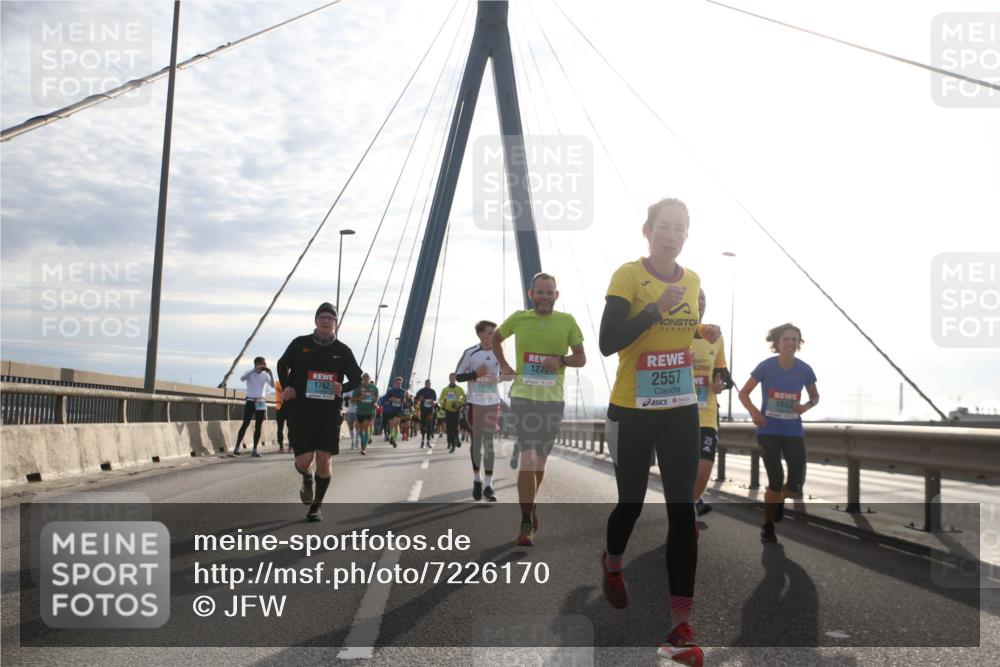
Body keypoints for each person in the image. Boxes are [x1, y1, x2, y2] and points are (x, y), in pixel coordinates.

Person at [598, 198, 709, 665]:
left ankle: (680, 628)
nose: (672, 235)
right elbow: (607, 342)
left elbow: (681, 337)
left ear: (686, 235)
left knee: (683, 513)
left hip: (680, 408)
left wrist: (701, 331)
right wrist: (654, 310)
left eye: (680, 228)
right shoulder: (627, 275)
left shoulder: (694, 280)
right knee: (632, 502)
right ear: (647, 231)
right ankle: (612, 563)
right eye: (664, 226)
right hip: (632, 409)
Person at [491, 272, 585, 547]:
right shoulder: (519, 318)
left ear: (557, 295)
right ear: (531, 294)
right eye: (540, 292)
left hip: (552, 401)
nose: (545, 297)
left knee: (540, 464)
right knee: (528, 458)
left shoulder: (567, 321)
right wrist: (504, 366)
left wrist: (562, 360)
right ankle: (525, 521)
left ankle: (531, 508)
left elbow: (581, 358)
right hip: (523, 397)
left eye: (549, 292)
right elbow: (496, 338)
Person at [277, 302, 362, 521]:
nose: (326, 321)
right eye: (322, 317)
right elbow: (281, 364)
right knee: (304, 461)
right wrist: (287, 386)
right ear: (315, 320)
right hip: (300, 410)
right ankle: (307, 476)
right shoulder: (300, 343)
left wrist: (343, 387)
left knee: (324, 458)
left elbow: (356, 377)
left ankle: (317, 506)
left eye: (330, 318)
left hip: (328, 412)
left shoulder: (342, 351)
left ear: (335, 322)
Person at [738, 322, 819, 544]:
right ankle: (768, 525)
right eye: (786, 339)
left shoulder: (805, 369)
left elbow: (815, 396)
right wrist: (755, 412)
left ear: (799, 343)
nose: (790, 343)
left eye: (794, 339)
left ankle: (780, 499)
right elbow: (744, 393)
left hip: (793, 432)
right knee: (775, 480)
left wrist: (806, 406)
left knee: (795, 485)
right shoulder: (766, 366)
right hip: (768, 430)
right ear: (777, 343)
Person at [691, 290, 734, 517]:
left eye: (703, 298)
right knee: (683, 471)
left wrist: (720, 384)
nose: (700, 302)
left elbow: (724, 375)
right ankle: (684, 513)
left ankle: (689, 505)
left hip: (706, 415)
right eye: (695, 297)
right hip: (676, 414)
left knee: (703, 469)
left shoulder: (716, 336)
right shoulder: (672, 333)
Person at [455, 319, 503, 501]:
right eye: (491, 332)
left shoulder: (499, 352)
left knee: (489, 443)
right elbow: (458, 376)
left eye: (495, 333)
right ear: (481, 334)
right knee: (476, 443)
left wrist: (500, 378)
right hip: (475, 403)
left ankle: (489, 486)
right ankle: (477, 479)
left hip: (492, 403)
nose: (494, 335)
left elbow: (509, 373)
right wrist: (476, 374)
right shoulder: (470, 353)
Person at [234, 356, 274, 457]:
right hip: (250, 401)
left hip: (261, 402)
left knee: (258, 426)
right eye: (263, 363)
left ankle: (255, 449)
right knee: (245, 423)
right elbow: (242, 378)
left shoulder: (265, 375)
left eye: (265, 363)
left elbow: (273, 386)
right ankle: (237, 447)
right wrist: (254, 370)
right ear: (257, 364)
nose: (265, 365)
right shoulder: (250, 373)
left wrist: (271, 374)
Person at [351, 373, 378, 455]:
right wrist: (360, 398)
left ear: (369, 378)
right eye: (364, 377)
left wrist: (375, 403)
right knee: (360, 430)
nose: (366, 378)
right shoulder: (358, 388)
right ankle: (363, 442)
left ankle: (364, 448)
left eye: (367, 377)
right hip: (360, 411)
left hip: (369, 411)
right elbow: (352, 399)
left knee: (366, 428)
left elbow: (377, 396)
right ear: (362, 378)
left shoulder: (373, 387)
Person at [441, 373, 466, 453]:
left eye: (453, 378)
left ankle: (456, 440)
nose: (452, 379)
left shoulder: (459, 389)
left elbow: (463, 397)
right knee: (449, 430)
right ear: (449, 379)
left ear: (455, 379)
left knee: (455, 428)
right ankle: (452, 444)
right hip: (448, 411)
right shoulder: (445, 390)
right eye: (451, 378)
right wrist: (444, 404)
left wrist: (459, 403)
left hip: (456, 411)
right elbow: (441, 399)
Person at [382, 377, 406, 447]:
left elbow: (404, 400)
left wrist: (403, 400)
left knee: (396, 424)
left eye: (400, 383)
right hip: (391, 410)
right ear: (395, 383)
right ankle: (392, 436)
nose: (398, 384)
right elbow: (385, 400)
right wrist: (391, 399)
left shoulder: (403, 391)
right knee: (391, 425)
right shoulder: (390, 391)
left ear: (401, 383)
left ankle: (394, 440)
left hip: (398, 410)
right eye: (397, 383)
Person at [414, 380, 437, 448]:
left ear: (430, 384)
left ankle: (428, 441)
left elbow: (435, 400)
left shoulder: (432, 391)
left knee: (429, 425)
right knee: (423, 426)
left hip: (430, 411)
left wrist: (433, 402)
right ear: (425, 384)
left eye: (429, 384)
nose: (428, 385)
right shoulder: (421, 391)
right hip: (423, 410)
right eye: (427, 383)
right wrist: (419, 400)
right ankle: (423, 440)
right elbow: (416, 400)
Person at [274, 377, 290, 453]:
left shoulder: (291, 383)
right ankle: (281, 447)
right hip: (280, 408)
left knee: (291, 428)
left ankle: (290, 447)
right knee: (280, 428)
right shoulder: (277, 383)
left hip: (289, 408)